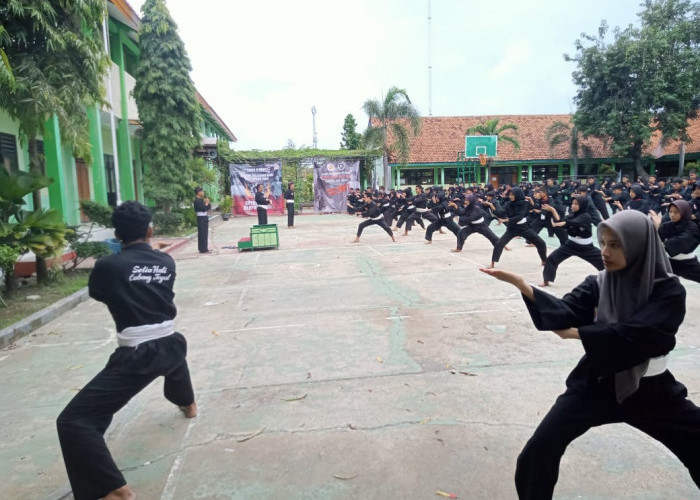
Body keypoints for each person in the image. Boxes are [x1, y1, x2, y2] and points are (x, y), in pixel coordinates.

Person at [481, 209, 700, 499]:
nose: (605, 252)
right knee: (538, 452)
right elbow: (567, 311)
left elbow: (642, 334)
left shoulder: (668, 290)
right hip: (596, 383)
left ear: (638, 245)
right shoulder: (598, 283)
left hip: (652, 391)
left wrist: (580, 333)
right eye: (603, 243)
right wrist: (524, 286)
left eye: (615, 244)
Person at [56, 201, 197, 500]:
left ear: (117, 234)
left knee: (73, 422)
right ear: (150, 230)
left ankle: (114, 490)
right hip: (170, 344)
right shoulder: (166, 262)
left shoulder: (108, 266)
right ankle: (189, 404)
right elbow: (150, 271)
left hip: (137, 355)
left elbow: (100, 293)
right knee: (173, 360)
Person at [540, 195, 604, 286]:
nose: (573, 205)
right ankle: (546, 280)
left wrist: (557, 225)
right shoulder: (572, 215)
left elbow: (571, 223)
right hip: (570, 245)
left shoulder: (586, 216)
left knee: (603, 261)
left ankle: (612, 278)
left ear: (582, 205)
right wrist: (553, 210)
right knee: (552, 258)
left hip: (586, 247)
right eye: (572, 203)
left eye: (576, 204)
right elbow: (560, 221)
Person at [488, 187, 548, 269]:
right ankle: (492, 263)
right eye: (510, 194)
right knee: (499, 244)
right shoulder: (508, 204)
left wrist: (531, 201)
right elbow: (501, 213)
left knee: (541, 243)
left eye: (513, 195)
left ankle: (544, 260)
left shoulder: (525, 203)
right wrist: (492, 206)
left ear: (518, 195)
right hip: (512, 229)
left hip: (524, 228)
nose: (510, 196)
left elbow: (522, 215)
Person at [651, 200, 700, 282]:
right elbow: (656, 239)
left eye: (676, 212)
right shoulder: (667, 225)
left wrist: (663, 244)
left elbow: (682, 241)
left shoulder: (692, 227)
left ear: (684, 211)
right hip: (669, 262)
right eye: (670, 212)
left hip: (688, 263)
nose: (672, 215)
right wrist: (656, 227)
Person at [193, 187, 211, 253]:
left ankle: (205, 248)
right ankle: (202, 249)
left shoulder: (201, 200)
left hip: (204, 217)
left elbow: (208, 207)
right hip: (201, 218)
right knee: (202, 233)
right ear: (198, 192)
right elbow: (203, 208)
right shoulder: (197, 201)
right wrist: (206, 204)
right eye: (202, 191)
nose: (203, 193)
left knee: (205, 233)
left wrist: (207, 203)